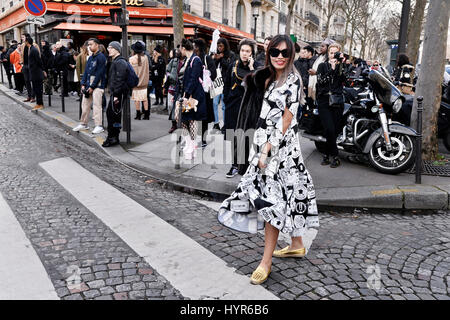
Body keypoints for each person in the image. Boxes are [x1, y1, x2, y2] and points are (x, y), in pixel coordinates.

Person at [218, 35, 319, 285]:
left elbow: (286, 119)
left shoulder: (293, 80)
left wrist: (266, 150)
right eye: (275, 52)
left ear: (292, 54)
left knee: (272, 200)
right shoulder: (269, 76)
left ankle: (265, 262)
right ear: (269, 52)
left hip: (278, 149)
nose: (280, 57)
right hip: (265, 144)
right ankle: (296, 244)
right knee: (292, 193)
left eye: (285, 52)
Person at [223, 38, 260, 178]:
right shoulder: (233, 65)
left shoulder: (257, 66)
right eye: (243, 51)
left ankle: (245, 165)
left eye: (248, 51)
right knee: (234, 136)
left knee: (247, 136)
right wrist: (227, 100)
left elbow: (258, 85)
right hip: (233, 105)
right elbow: (227, 84)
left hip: (249, 107)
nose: (245, 54)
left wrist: (252, 69)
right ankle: (234, 165)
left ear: (252, 53)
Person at [316, 42, 347, 168]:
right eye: (331, 52)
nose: (333, 55)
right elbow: (321, 81)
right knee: (328, 128)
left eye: (336, 52)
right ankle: (334, 155)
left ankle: (326, 154)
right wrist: (331, 69)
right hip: (324, 101)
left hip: (337, 101)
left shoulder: (342, 67)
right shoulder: (322, 66)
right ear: (328, 54)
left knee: (334, 130)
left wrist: (341, 66)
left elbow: (345, 80)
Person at [179, 38, 207, 160]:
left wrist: (186, 95)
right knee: (186, 119)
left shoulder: (195, 60)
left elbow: (193, 79)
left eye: (180, 48)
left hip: (194, 96)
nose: (180, 51)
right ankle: (190, 145)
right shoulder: (189, 59)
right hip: (190, 94)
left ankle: (192, 145)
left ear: (184, 49)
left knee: (192, 120)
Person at [73, 38, 106, 134]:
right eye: (88, 45)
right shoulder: (91, 57)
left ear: (97, 45)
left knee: (97, 106)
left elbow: (100, 74)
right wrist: (83, 84)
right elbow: (86, 71)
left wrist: (92, 86)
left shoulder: (101, 57)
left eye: (91, 44)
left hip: (98, 86)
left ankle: (98, 125)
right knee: (85, 105)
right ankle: (83, 124)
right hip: (88, 85)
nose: (89, 46)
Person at [102, 41, 128, 148]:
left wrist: (116, 95)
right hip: (116, 93)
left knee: (112, 115)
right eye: (108, 47)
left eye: (111, 47)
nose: (109, 49)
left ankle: (113, 137)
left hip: (117, 94)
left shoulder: (119, 62)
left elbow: (120, 79)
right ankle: (114, 137)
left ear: (117, 49)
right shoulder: (115, 61)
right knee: (114, 115)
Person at [193, 38, 216, 148]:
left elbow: (214, 75)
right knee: (202, 117)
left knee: (201, 117)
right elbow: (214, 74)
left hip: (200, 92)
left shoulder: (202, 58)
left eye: (194, 45)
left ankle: (201, 139)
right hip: (203, 92)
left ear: (197, 47)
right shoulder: (203, 58)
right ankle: (202, 139)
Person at [212, 37, 236, 132]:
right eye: (218, 46)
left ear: (225, 46)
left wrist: (221, 59)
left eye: (221, 46)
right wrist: (215, 59)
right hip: (217, 82)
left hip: (226, 83)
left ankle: (225, 125)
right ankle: (216, 123)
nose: (219, 48)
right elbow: (213, 67)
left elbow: (230, 67)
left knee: (224, 105)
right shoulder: (217, 54)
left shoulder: (231, 55)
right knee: (214, 103)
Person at [307, 38, 334, 103]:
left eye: (323, 46)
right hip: (315, 85)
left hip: (322, 89)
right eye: (320, 46)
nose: (320, 48)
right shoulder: (320, 57)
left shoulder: (329, 59)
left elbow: (328, 73)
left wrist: (316, 73)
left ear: (328, 48)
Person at [130, 41, 150, 120]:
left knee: (136, 99)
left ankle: (138, 114)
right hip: (144, 82)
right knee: (145, 99)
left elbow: (130, 72)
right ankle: (146, 115)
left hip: (136, 83)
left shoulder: (131, 59)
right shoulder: (145, 58)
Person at [26, 36, 45, 111]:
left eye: (25, 41)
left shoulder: (34, 50)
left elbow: (39, 60)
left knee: (38, 89)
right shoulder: (31, 49)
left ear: (27, 42)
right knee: (36, 89)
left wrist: (42, 70)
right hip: (34, 73)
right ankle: (38, 103)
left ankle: (40, 104)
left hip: (37, 73)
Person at [21, 33, 38, 103]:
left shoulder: (34, 45)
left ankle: (33, 97)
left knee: (33, 81)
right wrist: (21, 63)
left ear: (27, 38)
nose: (22, 38)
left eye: (23, 37)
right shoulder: (22, 45)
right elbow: (21, 54)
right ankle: (29, 96)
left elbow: (38, 55)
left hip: (32, 66)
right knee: (27, 81)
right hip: (25, 65)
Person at [166, 48, 180, 132]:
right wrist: (170, 76)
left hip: (180, 88)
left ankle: (179, 124)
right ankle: (173, 124)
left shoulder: (186, 61)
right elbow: (167, 70)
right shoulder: (173, 61)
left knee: (179, 107)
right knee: (170, 106)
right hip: (172, 87)